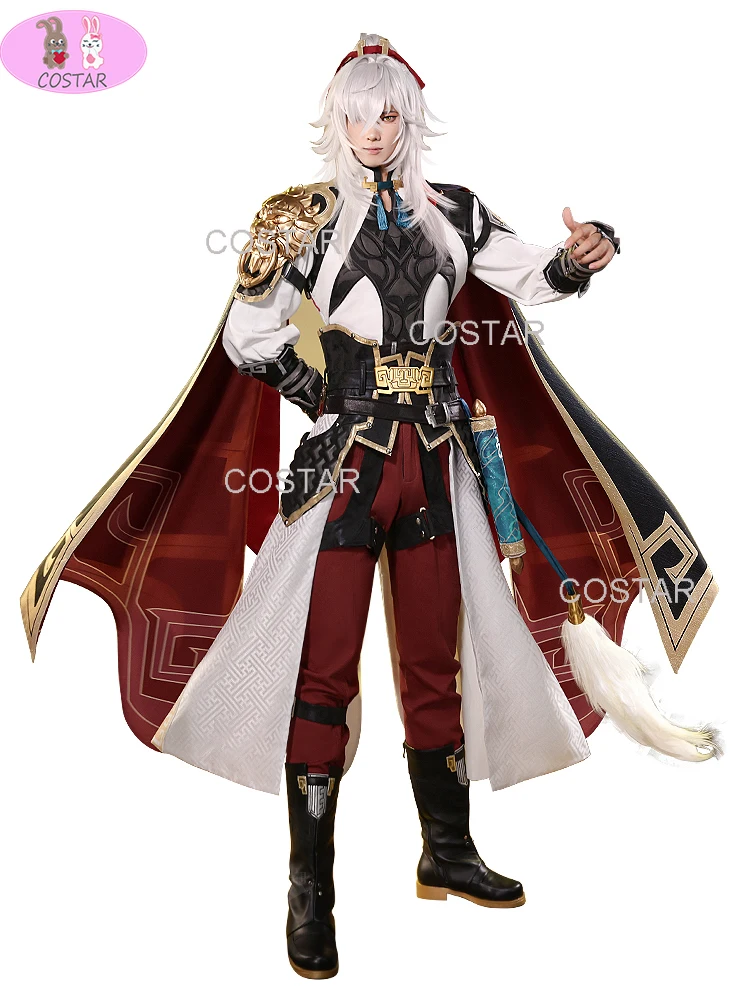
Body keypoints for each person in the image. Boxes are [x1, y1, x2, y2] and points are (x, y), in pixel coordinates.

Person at [22, 32, 717, 983]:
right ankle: (310, 889)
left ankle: (447, 849)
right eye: (359, 113)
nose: (374, 130)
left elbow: (536, 274)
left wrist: (586, 250)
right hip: (344, 466)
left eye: (390, 113)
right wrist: (326, 376)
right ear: (336, 119)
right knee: (324, 673)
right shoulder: (298, 220)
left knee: (435, 663)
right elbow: (249, 339)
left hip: (433, 462)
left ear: (410, 118)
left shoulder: (454, 212)